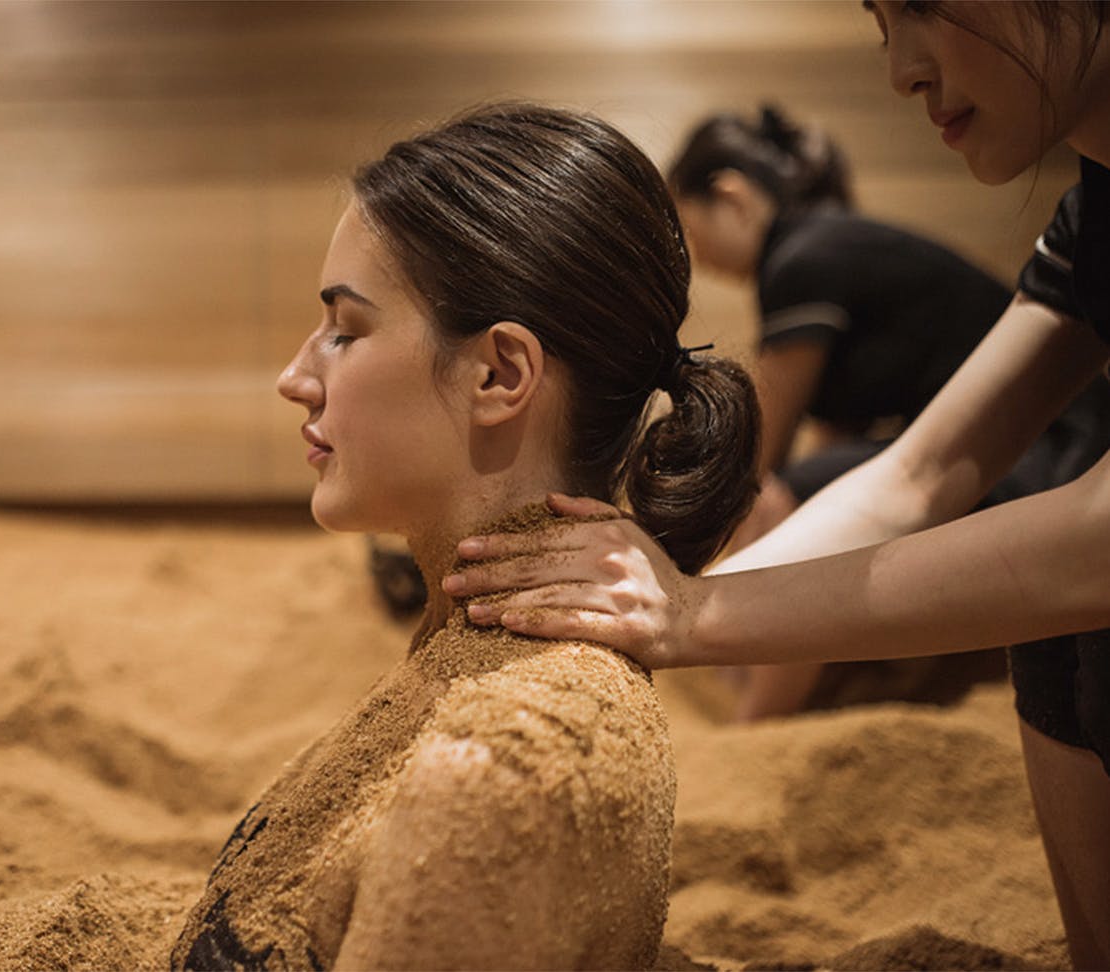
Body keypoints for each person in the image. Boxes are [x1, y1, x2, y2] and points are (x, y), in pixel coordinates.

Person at [445, 4, 1110, 968]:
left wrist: (695, 612)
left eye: (919, 6)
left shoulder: (808, 258)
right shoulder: (1091, 214)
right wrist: (659, 609)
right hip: (1040, 497)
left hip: (1054, 493)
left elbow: (1092, 535)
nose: (901, 71)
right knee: (1055, 641)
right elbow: (915, 472)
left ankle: (768, 717)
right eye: (881, 25)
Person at [168, 102, 762, 970]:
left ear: (498, 373)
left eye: (346, 330)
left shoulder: (504, 773)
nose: (296, 376)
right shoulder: (458, 658)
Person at [667, 104, 1110, 720]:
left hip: (1055, 448)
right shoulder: (832, 241)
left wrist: (679, 580)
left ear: (732, 198)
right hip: (1031, 441)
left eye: (691, 229)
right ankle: (764, 687)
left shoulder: (800, 259)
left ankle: (758, 719)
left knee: (771, 498)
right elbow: (835, 445)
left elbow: (755, 459)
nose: (699, 253)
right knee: (793, 496)